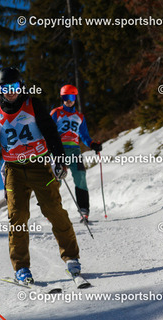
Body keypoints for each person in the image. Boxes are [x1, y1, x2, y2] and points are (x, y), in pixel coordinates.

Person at [0, 68, 82, 285]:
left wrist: (60, 160)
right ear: (0, 90)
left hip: (40, 165)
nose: (11, 92)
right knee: (18, 217)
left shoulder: (33, 104)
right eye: (5, 88)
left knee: (53, 210)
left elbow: (51, 133)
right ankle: (21, 267)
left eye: (14, 87)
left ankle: (71, 257)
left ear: (21, 86)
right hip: (14, 169)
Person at [50, 85, 102, 223]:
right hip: (59, 150)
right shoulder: (56, 113)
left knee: (80, 176)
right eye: (66, 97)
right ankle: (52, 208)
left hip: (74, 150)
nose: (69, 101)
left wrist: (93, 144)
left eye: (71, 97)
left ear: (75, 98)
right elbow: (48, 131)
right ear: (62, 98)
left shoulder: (80, 117)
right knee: (56, 179)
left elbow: (84, 136)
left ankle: (84, 210)